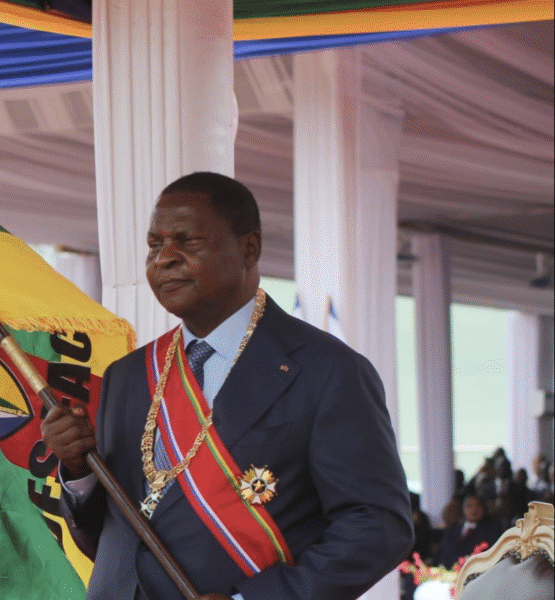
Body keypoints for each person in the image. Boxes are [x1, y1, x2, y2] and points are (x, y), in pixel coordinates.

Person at [41, 172, 412, 600]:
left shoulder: (327, 371)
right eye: (154, 244)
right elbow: (114, 534)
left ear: (248, 248)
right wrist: (78, 471)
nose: (164, 259)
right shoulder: (129, 375)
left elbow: (377, 527)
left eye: (187, 241)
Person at [436, 494, 501, 568]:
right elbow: (443, 554)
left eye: (477, 506)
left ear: (483, 508)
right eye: (469, 506)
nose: (473, 509)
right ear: (463, 509)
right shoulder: (452, 530)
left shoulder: (491, 530)